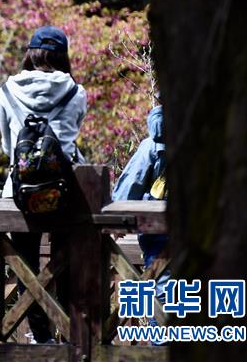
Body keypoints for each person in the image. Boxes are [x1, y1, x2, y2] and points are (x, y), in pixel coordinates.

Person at [0, 26, 87, 344]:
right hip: (65, 191)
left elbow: (9, 150)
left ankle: (40, 337)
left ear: (30, 53)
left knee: (25, 266)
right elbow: (71, 141)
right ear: (63, 56)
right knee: (66, 262)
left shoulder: (7, 90)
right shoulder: (76, 92)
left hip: (21, 193)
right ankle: (69, 334)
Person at [112, 105, 168, 343]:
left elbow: (127, 191)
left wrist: (116, 222)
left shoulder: (152, 146)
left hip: (158, 235)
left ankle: (161, 351)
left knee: (164, 295)